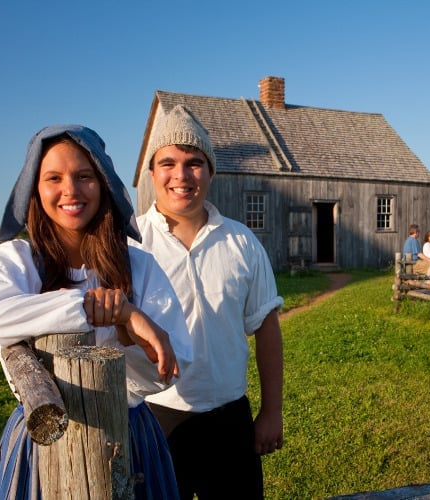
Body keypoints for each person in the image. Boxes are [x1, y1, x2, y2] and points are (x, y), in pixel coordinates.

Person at [0, 125, 192, 499]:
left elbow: (168, 369)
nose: (70, 190)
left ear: (103, 184)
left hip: (129, 436)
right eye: (53, 177)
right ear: (34, 189)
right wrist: (110, 311)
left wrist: (124, 331)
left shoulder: (140, 267)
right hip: (41, 438)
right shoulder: (14, 262)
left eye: (84, 176)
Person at [132, 105, 283, 500]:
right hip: (156, 418)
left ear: (211, 171)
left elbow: (266, 327)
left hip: (228, 419)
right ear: (152, 173)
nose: (181, 176)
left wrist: (271, 412)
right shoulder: (130, 245)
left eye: (194, 163)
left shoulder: (241, 242)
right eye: (168, 163)